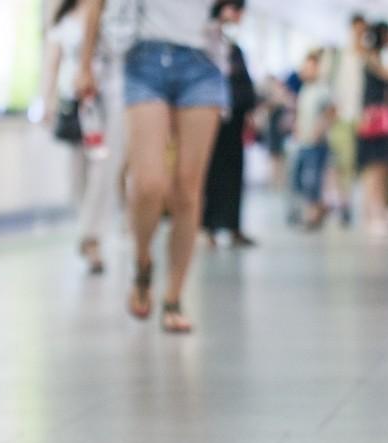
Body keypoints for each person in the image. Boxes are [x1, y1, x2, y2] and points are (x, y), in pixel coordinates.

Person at [76, 0, 227, 334]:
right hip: (143, 59)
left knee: (187, 190)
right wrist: (85, 64)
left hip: (202, 60)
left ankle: (173, 297)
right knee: (148, 184)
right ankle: (143, 263)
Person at [42, 0, 126, 275]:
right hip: (75, 105)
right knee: (77, 174)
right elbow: (53, 63)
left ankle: (92, 238)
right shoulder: (63, 22)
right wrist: (48, 100)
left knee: (102, 169)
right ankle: (87, 227)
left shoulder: (109, 13)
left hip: (105, 104)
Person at [202, 1, 258, 248]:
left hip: (234, 121)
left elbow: (246, 88)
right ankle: (208, 227)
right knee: (210, 174)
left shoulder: (235, 50)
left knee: (235, 174)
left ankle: (234, 226)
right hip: (210, 119)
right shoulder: (203, 44)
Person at [356, 20, 388, 238]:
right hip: (375, 120)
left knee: (380, 168)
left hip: (378, 119)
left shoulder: (374, 57)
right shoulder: (372, 57)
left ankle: (377, 214)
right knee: (375, 168)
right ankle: (373, 215)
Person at [329, 14, 369, 227]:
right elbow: (331, 84)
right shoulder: (339, 55)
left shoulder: (368, 56)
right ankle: (345, 204)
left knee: (362, 164)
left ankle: (360, 203)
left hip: (364, 118)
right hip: (343, 117)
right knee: (343, 162)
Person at [293, 50, 336, 229]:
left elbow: (331, 111)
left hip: (316, 142)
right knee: (300, 178)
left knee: (312, 179)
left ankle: (314, 213)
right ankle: (319, 207)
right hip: (303, 141)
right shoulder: (305, 89)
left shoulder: (322, 89)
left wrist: (320, 130)